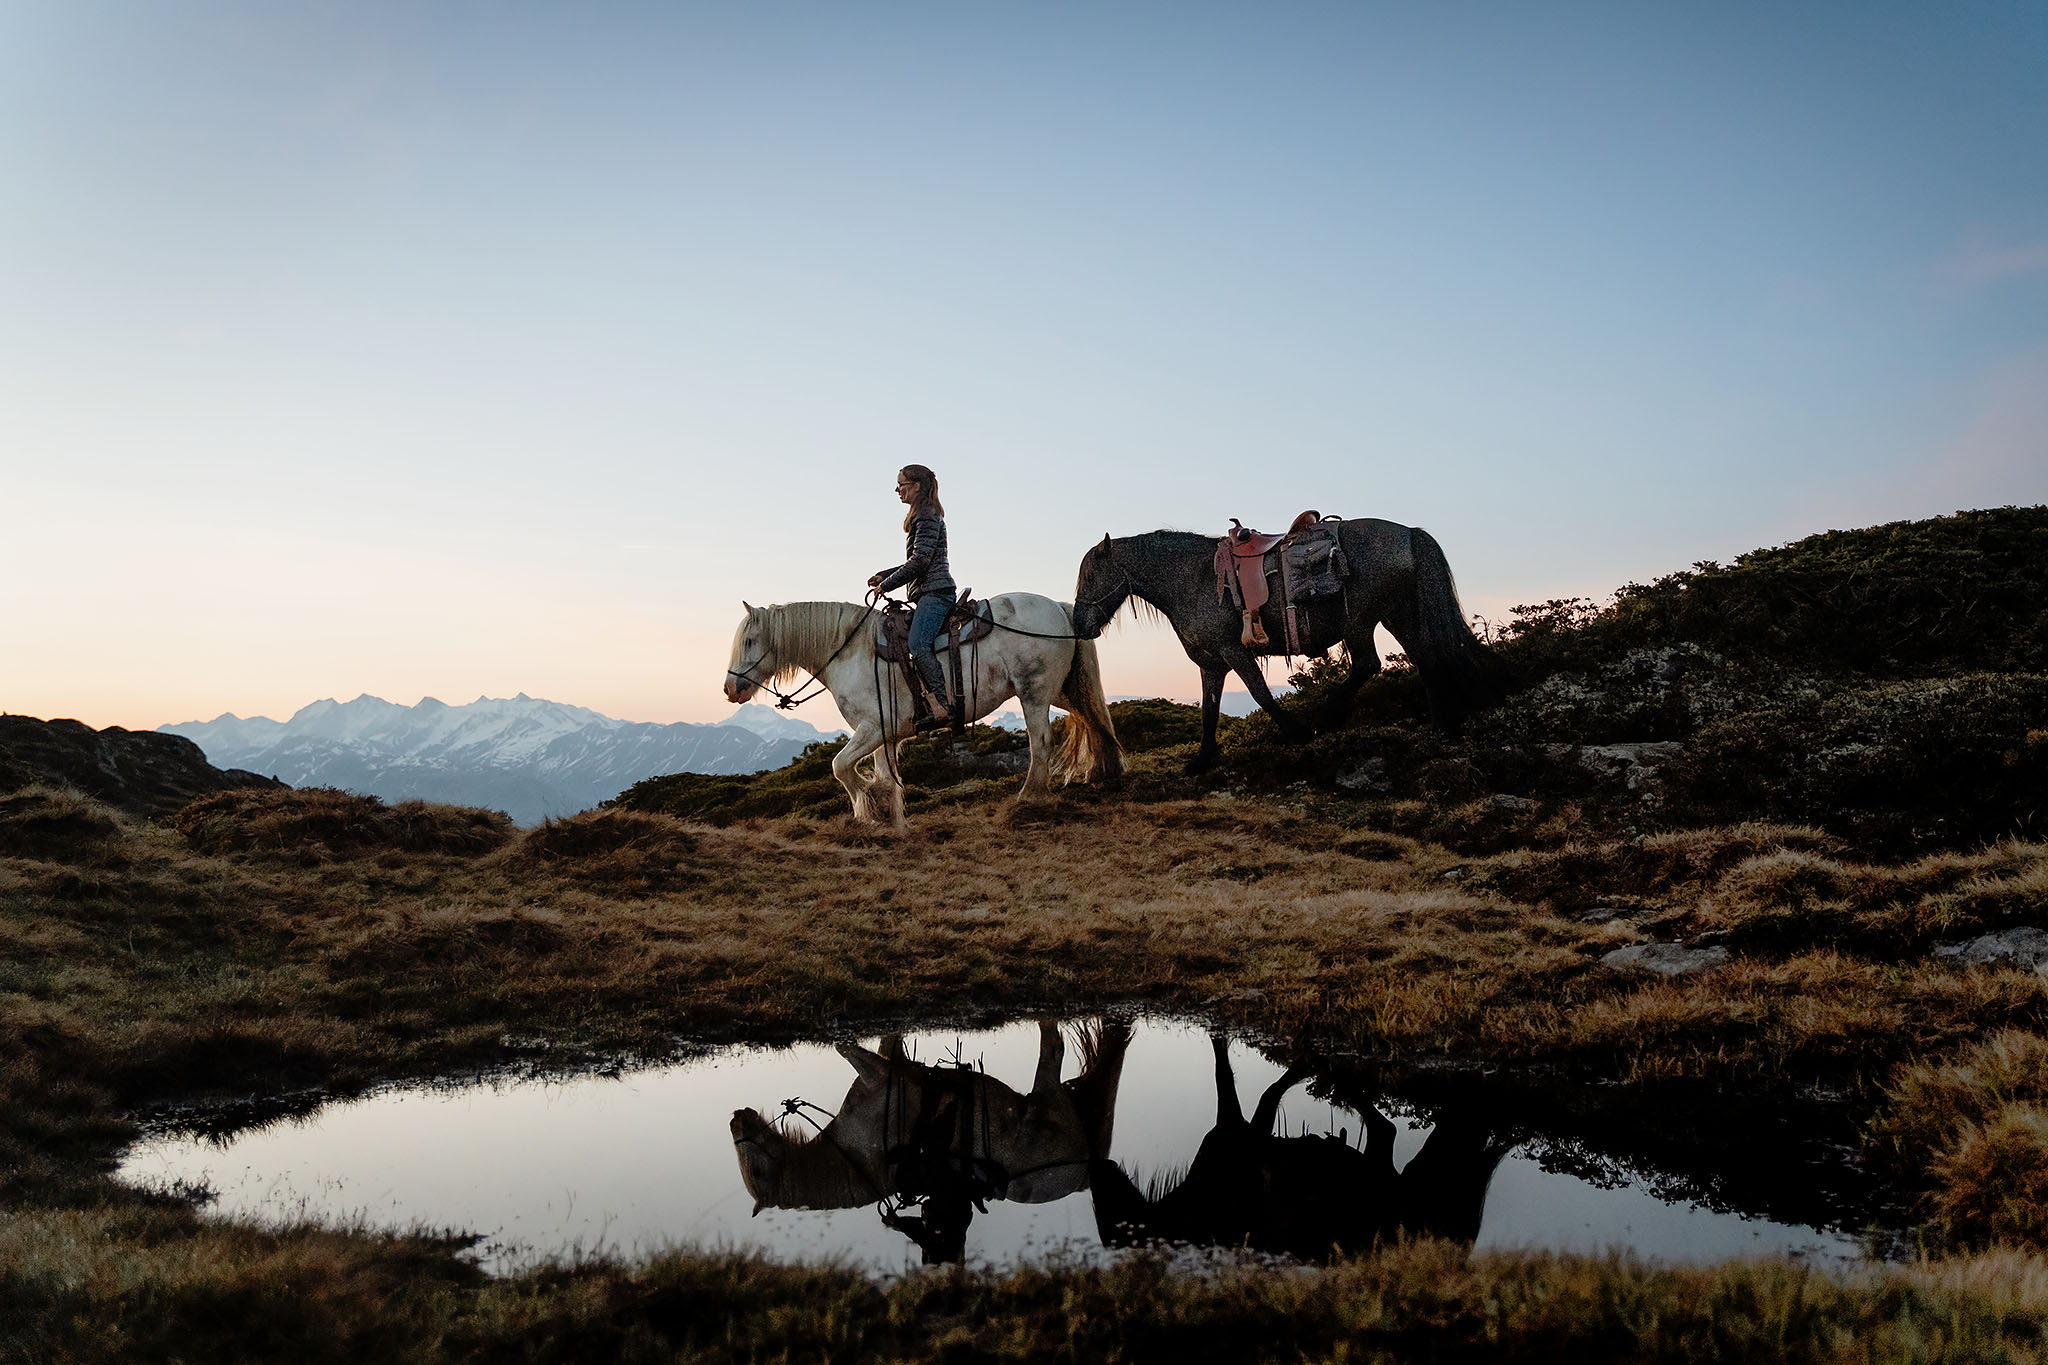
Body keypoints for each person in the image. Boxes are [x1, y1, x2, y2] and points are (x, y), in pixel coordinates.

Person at [867, 464, 959, 732]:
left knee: (918, 645)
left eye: (901, 485)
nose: (897, 490)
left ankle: (943, 707)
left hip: (935, 593)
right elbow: (917, 560)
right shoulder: (925, 514)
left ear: (916, 486)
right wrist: (884, 575)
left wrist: (887, 585)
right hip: (929, 591)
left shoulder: (926, 515)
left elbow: (920, 562)